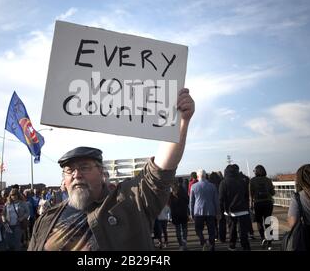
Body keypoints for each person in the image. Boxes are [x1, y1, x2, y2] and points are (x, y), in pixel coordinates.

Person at [28, 88, 194, 251]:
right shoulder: (46, 220)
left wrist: (180, 121)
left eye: (84, 167)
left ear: (101, 172)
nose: (77, 175)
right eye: (69, 170)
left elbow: (158, 173)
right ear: (64, 179)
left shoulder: (128, 202)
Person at [219, 164, 251, 251]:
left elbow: (221, 198)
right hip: (243, 209)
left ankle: (232, 245)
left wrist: (222, 211)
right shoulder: (243, 181)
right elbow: (246, 196)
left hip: (230, 211)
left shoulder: (223, 182)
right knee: (243, 231)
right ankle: (246, 246)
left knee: (232, 229)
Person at [190, 169, 219, 251]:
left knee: (198, 229)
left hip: (198, 212)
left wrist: (191, 213)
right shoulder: (212, 186)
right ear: (205, 176)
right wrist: (218, 212)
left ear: (198, 176)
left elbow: (191, 202)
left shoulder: (193, 186)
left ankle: (203, 242)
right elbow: (216, 201)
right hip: (211, 211)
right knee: (211, 231)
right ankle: (212, 246)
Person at [250, 164, 275, 250]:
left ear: (256, 172)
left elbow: (251, 194)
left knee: (259, 222)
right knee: (268, 221)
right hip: (268, 203)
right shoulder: (268, 180)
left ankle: (262, 238)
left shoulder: (252, 180)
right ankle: (269, 243)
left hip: (258, 203)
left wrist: (251, 204)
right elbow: (273, 192)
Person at [169, 181, 189, 250]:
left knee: (178, 230)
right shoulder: (183, 193)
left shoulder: (171, 195)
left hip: (175, 215)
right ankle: (184, 242)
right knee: (184, 229)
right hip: (183, 214)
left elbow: (169, 206)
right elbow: (187, 202)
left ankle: (180, 244)